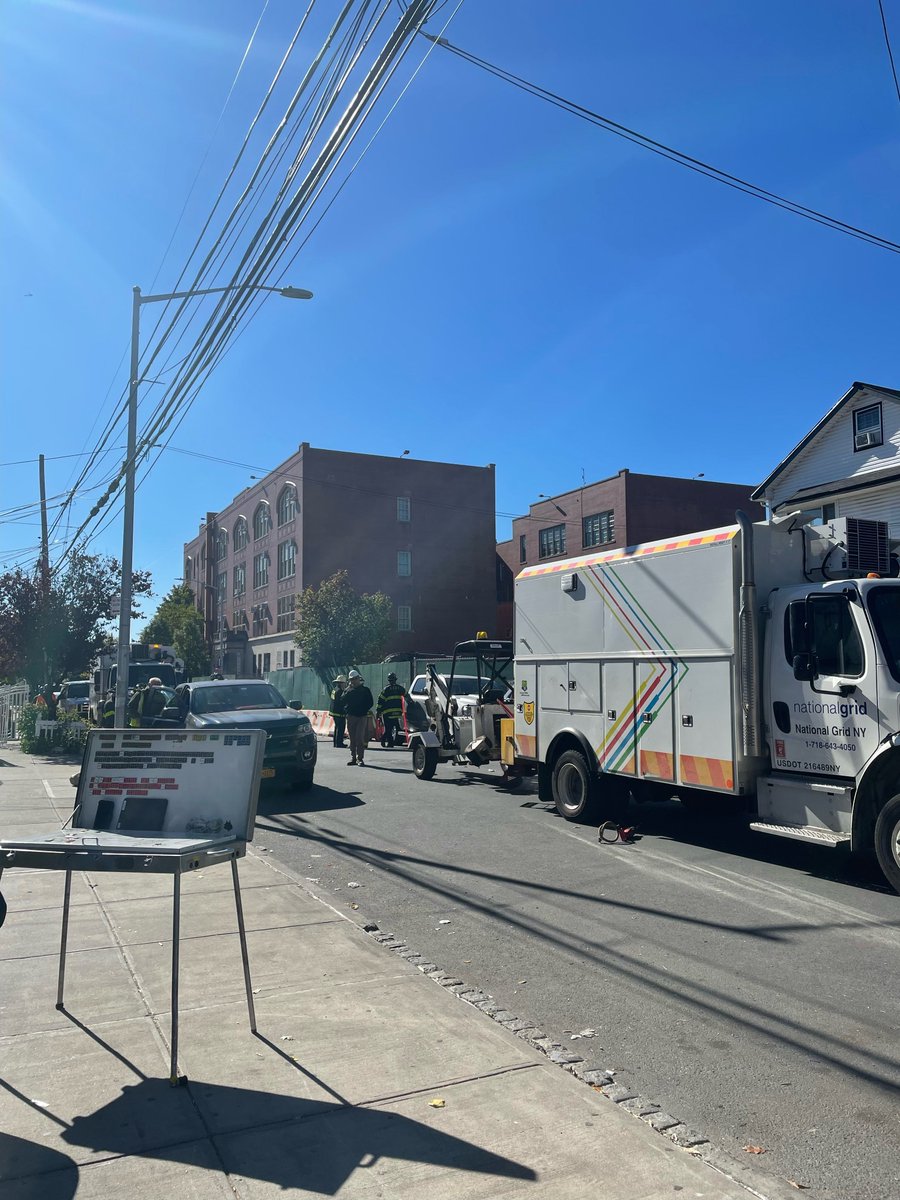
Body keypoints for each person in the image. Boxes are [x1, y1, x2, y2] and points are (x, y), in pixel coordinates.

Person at [343, 669, 374, 767]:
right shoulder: (348, 690)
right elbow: (342, 700)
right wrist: (347, 689)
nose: (353, 681)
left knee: (359, 738)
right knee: (352, 738)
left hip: (361, 717)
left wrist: (363, 710)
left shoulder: (365, 690)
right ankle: (353, 758)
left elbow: (370, 702)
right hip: (351, 716)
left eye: (355, 679)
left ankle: (360, 758)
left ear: (358, 679)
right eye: (351, 679)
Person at [376, 672, 408, 748]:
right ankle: (389, 741)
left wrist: (378, 711)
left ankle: (388, 742)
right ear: (395, 680)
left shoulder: (386, 690)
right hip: (398, 713)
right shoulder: (400, 688)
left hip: (388, 713)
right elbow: (407, 696)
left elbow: (380, 701)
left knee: (388, 729)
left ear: (389, 680)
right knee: (397, 728)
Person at [329, 675, 348, 748]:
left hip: (334, 712)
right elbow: (341, 702)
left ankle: (336, 743)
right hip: (339, 712)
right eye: (344, 683)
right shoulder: (340, 691)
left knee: (337, 727)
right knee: (341, 728)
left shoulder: (335, 689)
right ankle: (339, 743)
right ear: (341, 683)